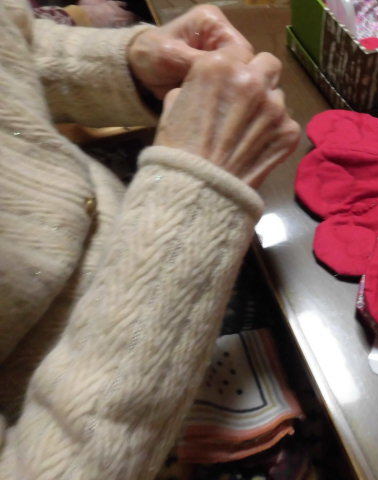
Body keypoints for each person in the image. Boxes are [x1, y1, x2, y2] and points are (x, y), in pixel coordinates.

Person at [0, 1, 300, 478]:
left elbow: (12, 48)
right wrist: (195, 197)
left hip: (136, 228)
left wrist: (126, 63)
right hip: (110, 385)